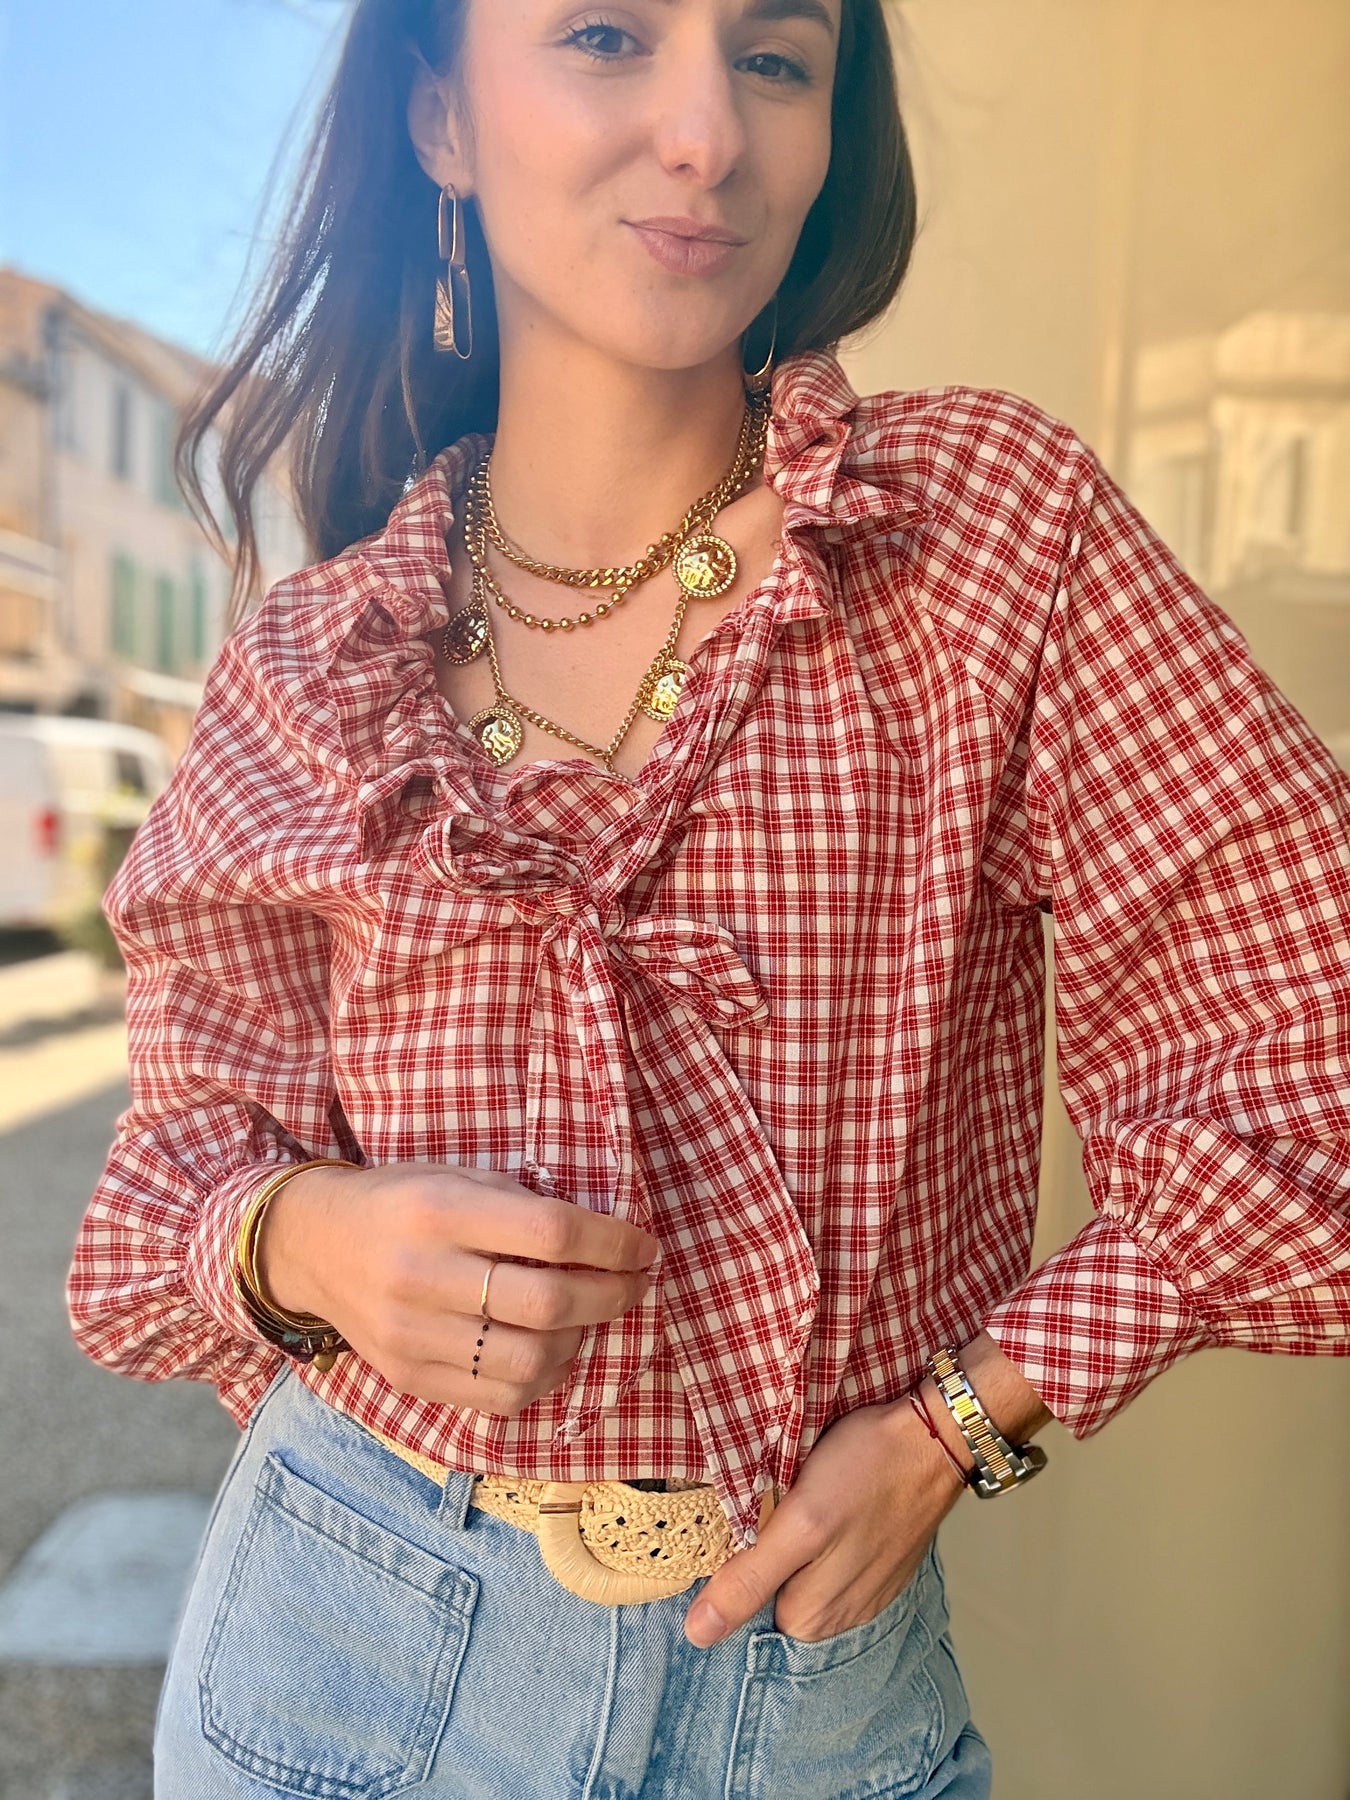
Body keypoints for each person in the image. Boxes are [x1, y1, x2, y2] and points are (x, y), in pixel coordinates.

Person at [64, 1, 1350, 1795]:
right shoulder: (312, 660)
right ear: (440, 122)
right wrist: (309, 1241)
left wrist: (964, 1422)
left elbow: (1308, 1049)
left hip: (807, 1691)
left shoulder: (982, 536)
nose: (705, 134)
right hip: (341, 1641)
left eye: (772, 58)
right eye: (605, 34)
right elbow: (165, 1197)